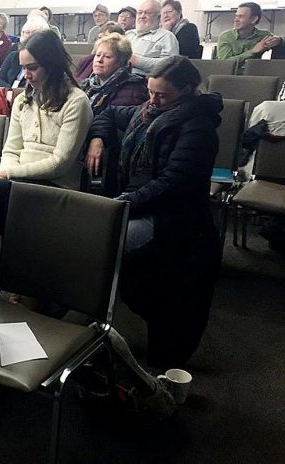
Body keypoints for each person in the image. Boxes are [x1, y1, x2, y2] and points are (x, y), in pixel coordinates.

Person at [85, 56, 222, 368]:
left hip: (172, 217)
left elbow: (171, 184)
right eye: (150, 91)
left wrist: (122, 204)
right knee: (96, 246)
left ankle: (89, 319)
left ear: (187, 90)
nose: (153, 99)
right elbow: (106, 112)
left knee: (102, 248)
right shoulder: (147, 112)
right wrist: (98, 139)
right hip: (140, 204)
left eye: (162, 94)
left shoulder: (197, 128)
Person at [0, 30, 93, 189]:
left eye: (32, 68)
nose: (26, 76)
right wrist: (6, 176)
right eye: (23, 68)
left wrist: (9, 174)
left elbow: (60, 163)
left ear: (51, 65)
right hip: (19, 180)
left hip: (56, 185)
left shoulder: (76, 101)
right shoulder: (22, 100)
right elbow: (11, 151)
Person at [80, 33, 148, 115]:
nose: (99, 60)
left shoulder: (131, 91)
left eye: (107, 57)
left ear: (121, 62)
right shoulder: (86, 85)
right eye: (98, 55)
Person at [217, 2, 282, 72]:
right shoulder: (226, 36)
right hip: (228, 76)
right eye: (236, 16)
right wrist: (252, 52)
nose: (236, 20)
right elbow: (224, 64)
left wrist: (279, 41)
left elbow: (278, 40)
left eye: (241, 16)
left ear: (253, 19)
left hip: (253, 75)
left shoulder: (263, 35)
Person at [126, 0, 179, 76]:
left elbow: (171, 65)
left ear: (158, 17)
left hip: (145, 84)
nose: (142, 16)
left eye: (148, 13)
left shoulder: (167, 37)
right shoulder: (129, 34)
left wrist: (138, 61)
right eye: (140, 12)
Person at [0, 16, 49, 88]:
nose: (29, 36)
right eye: (27, 32)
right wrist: (10, 90)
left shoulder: (44, 60)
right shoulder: (13, 56)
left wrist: (16, 93)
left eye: (34, 33)